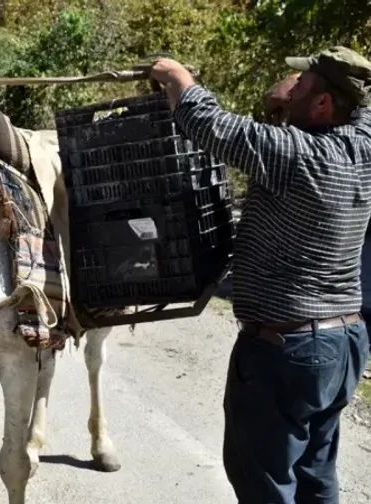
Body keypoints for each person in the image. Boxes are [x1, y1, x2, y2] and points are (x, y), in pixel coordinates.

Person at [148, 47, 371, 503]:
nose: (291, 90)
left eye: (302, 85)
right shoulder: (364, 143)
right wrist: (296, 97)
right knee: (315, 475)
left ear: (325, 103)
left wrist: (174, 75)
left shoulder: (297, 155)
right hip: (342, 345)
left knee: (264, 484)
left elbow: (211, 125)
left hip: (284, 350)